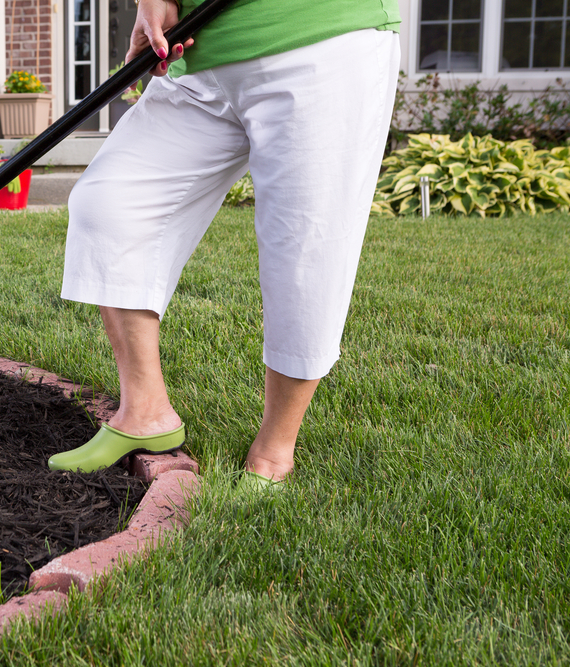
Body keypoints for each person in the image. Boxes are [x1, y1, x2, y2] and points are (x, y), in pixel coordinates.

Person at [47, 0, 401, 487]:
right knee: (110, 205)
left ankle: (274, 452)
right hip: (201, 53)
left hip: (321, 41)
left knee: (304, 248)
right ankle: (146, 413)